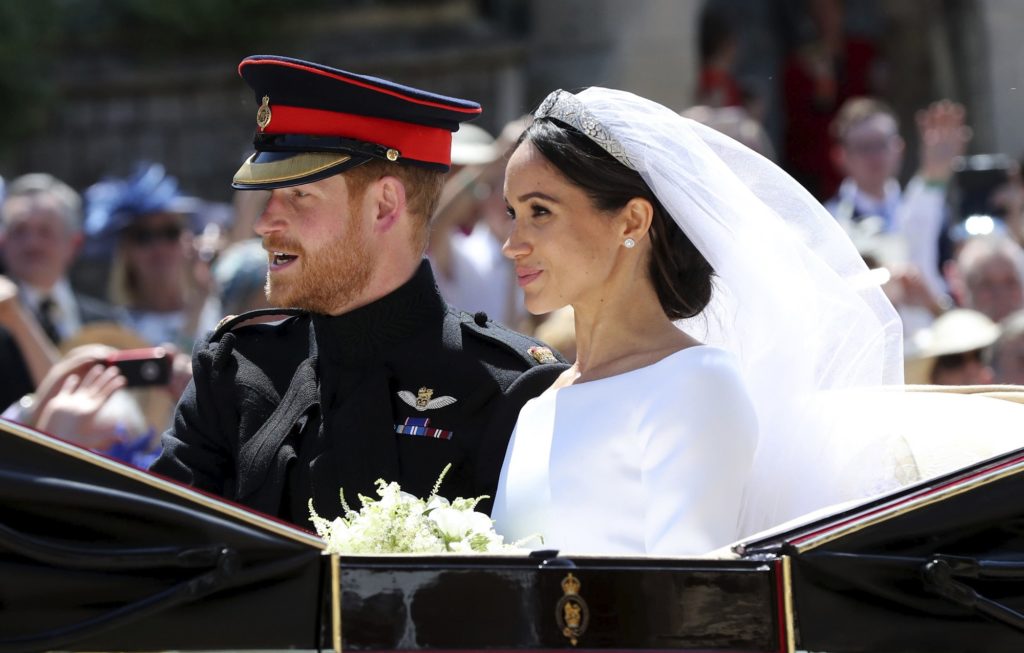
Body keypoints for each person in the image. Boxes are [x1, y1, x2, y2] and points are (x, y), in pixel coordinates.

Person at [150, 55, 566, 528]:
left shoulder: (511, 389)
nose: (265, 224)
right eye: (269, 197)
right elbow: (163, 550)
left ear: (384, 205)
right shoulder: (235, 370)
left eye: (299, 196)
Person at [490, 86, 906, 554]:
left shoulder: (694, 382)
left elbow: (690, 597)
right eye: (512, 213)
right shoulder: (537, 404)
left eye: (540, 211)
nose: (513, 243)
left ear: (631, 222)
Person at [83, 163, 221, 350]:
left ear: (188, 240)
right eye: (143, 236)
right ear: (125, 250)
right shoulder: (115, 329)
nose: (159, 246)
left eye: (170, 232)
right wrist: (196, 310)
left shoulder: (223, 312)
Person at [1, 173, 123, 346]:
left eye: (45, 231)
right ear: (3, 241)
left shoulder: (107, 323)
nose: (32, 243)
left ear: (74, 243)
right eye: (19, 231)